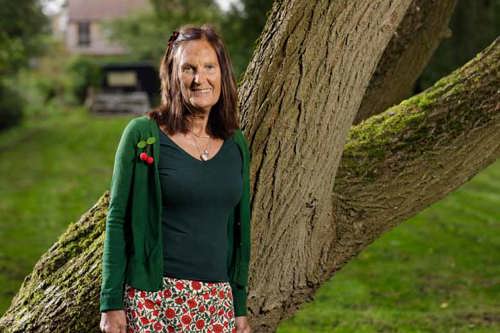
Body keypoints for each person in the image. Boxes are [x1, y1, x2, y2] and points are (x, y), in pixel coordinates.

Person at [99, 24, 252, 333]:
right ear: (172, 75)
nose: (200, 79)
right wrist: (111, 302)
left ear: (222, 73)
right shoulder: (143, 135)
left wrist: (238, 305)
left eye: (209, 67)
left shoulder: (236, 143)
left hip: (216, 303)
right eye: (188, 69)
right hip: (152, 301)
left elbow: (240, 230)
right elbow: (117, 220)